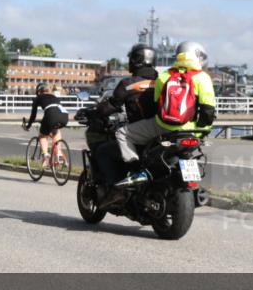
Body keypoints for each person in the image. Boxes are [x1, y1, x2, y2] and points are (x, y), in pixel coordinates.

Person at [114, 41, 216, 185]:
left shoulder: (165, 75)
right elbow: (208, 111)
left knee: (122, 133)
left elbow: (157, 105)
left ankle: (136, 171)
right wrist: (200, 132)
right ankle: (191, 182)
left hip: (164, 126)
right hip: (191, 130)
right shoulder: (203, 78)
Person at [88, 44, 159, 199]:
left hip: (142, 134)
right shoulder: (162, 80)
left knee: (103, 151)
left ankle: (117, 189)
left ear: (136, 60)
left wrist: (94, 112)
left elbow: (112, 105)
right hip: (163, 131)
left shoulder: (129, 83)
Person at [22, 83, 69, 167]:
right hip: (64, 116)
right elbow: (54, 109)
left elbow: (33, 116)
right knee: (56, 132)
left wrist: (28, 126)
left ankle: (45, 155)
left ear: (39, 92)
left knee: (42, 136)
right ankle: (58, 155)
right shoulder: (54, 97)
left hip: (50, 115)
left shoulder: (38, 98)